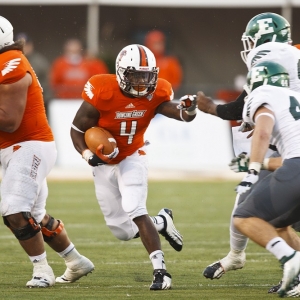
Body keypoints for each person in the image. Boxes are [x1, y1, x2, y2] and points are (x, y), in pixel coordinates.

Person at [70, 44, 196, 290]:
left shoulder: (157, 91)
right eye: (135, 75)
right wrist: (87, 154)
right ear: (120, 72)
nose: (142, 81)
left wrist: (188, 110)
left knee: (134, 207)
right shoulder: (101, 89)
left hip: (132, 155)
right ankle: (161, 222)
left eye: (147, 75)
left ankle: (161, 271)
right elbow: (76, 130)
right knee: (122, 231)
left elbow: (177, 113)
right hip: (105, 161)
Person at [195, 12, 300, 294]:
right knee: (278, 220)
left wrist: (210, 108)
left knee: (249, 213)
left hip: (290, 152)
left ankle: (288, 262)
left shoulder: (268, 56)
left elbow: (241, 108)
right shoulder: (293, 61)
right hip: (290, 147)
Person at [0, 16, 94, 288]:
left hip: (29, 145)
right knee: (36, 215)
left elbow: (9, 121)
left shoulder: (11, 64)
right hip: (17, 147)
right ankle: (75, 261)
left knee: (13, 209)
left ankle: (42, 270)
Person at [233, 60, 300, 297]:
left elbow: (263, 130)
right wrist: (262, 163)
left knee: (243, 217)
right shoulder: (294, 99)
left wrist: (252, 170)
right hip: (295, 166)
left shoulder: (263, 95)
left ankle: (291, 258)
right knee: (279, 223)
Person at [15, 32, 52, 116]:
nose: (23, 47)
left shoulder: (39, 62)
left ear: (31, 45)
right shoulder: (10, 61)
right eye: (20, 44)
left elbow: (46, 86)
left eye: (26, 44)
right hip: (15, 103)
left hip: (35, 103)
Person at [144, 30, 183, 94]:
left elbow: (176, 82)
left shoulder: (171, 61)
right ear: (148, 43)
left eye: (160, 43)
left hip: (166, 95)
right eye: (155, 43)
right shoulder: (143, 61)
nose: (158, 46)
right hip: (147, 96)